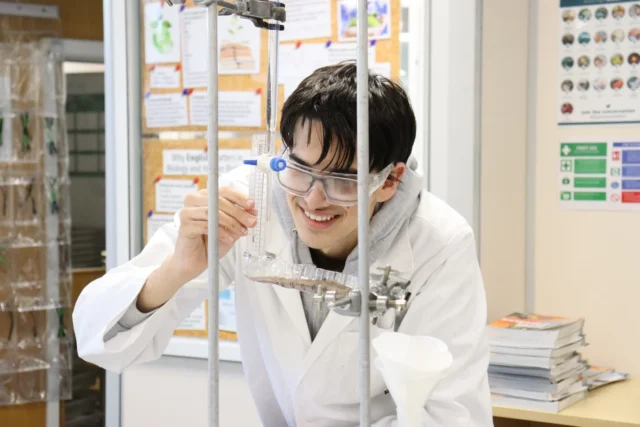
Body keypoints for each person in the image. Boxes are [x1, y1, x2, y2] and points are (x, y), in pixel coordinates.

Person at [73, 62, 493, 426]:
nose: (313, 198)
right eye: (300, 169)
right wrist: (176, 270)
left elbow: (451, 414)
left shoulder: (439, 243)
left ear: (390, 180)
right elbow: (101, 340)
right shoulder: (246, 202)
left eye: (343, 180)